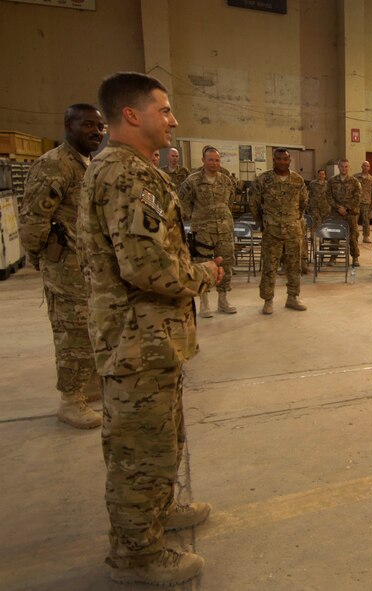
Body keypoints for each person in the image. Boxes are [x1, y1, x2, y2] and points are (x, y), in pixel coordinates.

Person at [79, 72, 222, 586]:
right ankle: (136, 556)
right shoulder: (126, 175)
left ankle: (159, 514)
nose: (173, 120)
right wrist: (204, 275)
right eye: (164, 110)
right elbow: (147, 267)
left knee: (160, 439)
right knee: (139, 453)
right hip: (137, 341)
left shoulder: (128, 169)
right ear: (131, 114)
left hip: (149, 338)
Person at [20, 103, 106, 429]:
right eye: (88, 125)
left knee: (90, 329)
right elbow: (32, 221)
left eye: (99, 126)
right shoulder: (54, 164)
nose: (96, 132)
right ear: (69, 125)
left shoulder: (86, 164)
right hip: (65, 267)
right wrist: (43, 259)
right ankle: (70, 401)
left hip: (87, 267)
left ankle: (89, 386)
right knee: (71, 335)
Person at [178, 146, 237, 317]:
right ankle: (204, 303)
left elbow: (230, 201)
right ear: (203, 160)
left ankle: (223, 300)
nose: (214, 163)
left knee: (226, 264)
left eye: (217, 160)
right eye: (210, 160)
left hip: (224, 230)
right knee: (203, 265)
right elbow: (183, 205)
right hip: (202, 231)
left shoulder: (226, 181)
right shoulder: (192, 181)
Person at [251, 148, 309, 314]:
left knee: (294, 266)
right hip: (272, 231)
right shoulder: (263, 180)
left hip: (293, 231)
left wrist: (294, 219)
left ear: (289, 161)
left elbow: (303, 203)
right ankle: (268, 300)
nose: (282, 162)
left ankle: (292, 297)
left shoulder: (297, 180)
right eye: (279, 159)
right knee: (269, 266)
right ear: (273, 160)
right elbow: (254, 205)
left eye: (285, 159)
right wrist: (263, 224)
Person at [326, 159, 362, 267]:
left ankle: (355, 257)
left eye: (346, 166)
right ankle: (333, 257)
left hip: (350, 213)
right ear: (338, 167)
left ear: (349, 167)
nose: (344, 168)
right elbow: (328, 196)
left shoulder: (354, 181)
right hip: (336, 213)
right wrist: (338, 207)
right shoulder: (332, 181)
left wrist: (346, 207)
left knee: (353, 236)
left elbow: (357, 197)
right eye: (342, 166)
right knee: (334, 235)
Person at [306, 169, 330, 272]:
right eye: (320, 174)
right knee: (314, 226)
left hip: (325, 207)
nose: (321, 175)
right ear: (317, 175)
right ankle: (314, 242)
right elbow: (308, 194)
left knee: (324, 227)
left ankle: (323, 244)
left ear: (325, 175)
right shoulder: (312, 184)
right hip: (314, 207)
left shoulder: (328, 184)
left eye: (323, 174)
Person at [355, 161, 372, 243]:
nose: (365, 167)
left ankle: (366, 236)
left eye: (367, 166)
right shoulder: (356, 177)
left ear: (369, 168)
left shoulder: (371, 179)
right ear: (361, 166)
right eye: (364, 165)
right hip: (356, 202)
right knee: (354, 220)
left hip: (367, 202)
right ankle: (354, 236)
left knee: (366, 220)